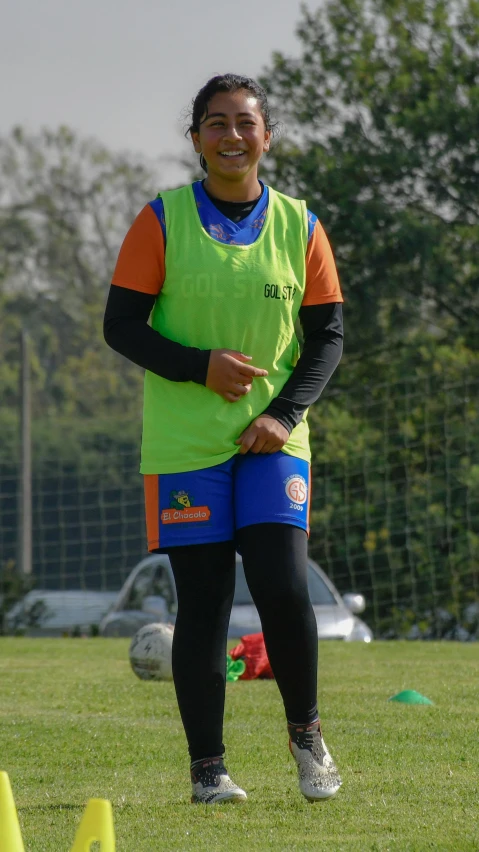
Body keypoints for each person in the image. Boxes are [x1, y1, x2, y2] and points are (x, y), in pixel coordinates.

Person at [104, 74, 344, 805]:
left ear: (267, 136)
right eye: (215, 123)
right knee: (204, 604)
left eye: (245, 123)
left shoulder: (300, 225)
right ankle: (208, 770)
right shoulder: (160, 221)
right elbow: (121, 327)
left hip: (273, 444)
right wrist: (199, 368)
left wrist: (284, 416)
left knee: (278, 585)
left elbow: (326, 337)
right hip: (185, 448)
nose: (231, 136)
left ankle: (306, 740)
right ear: (196, 140)